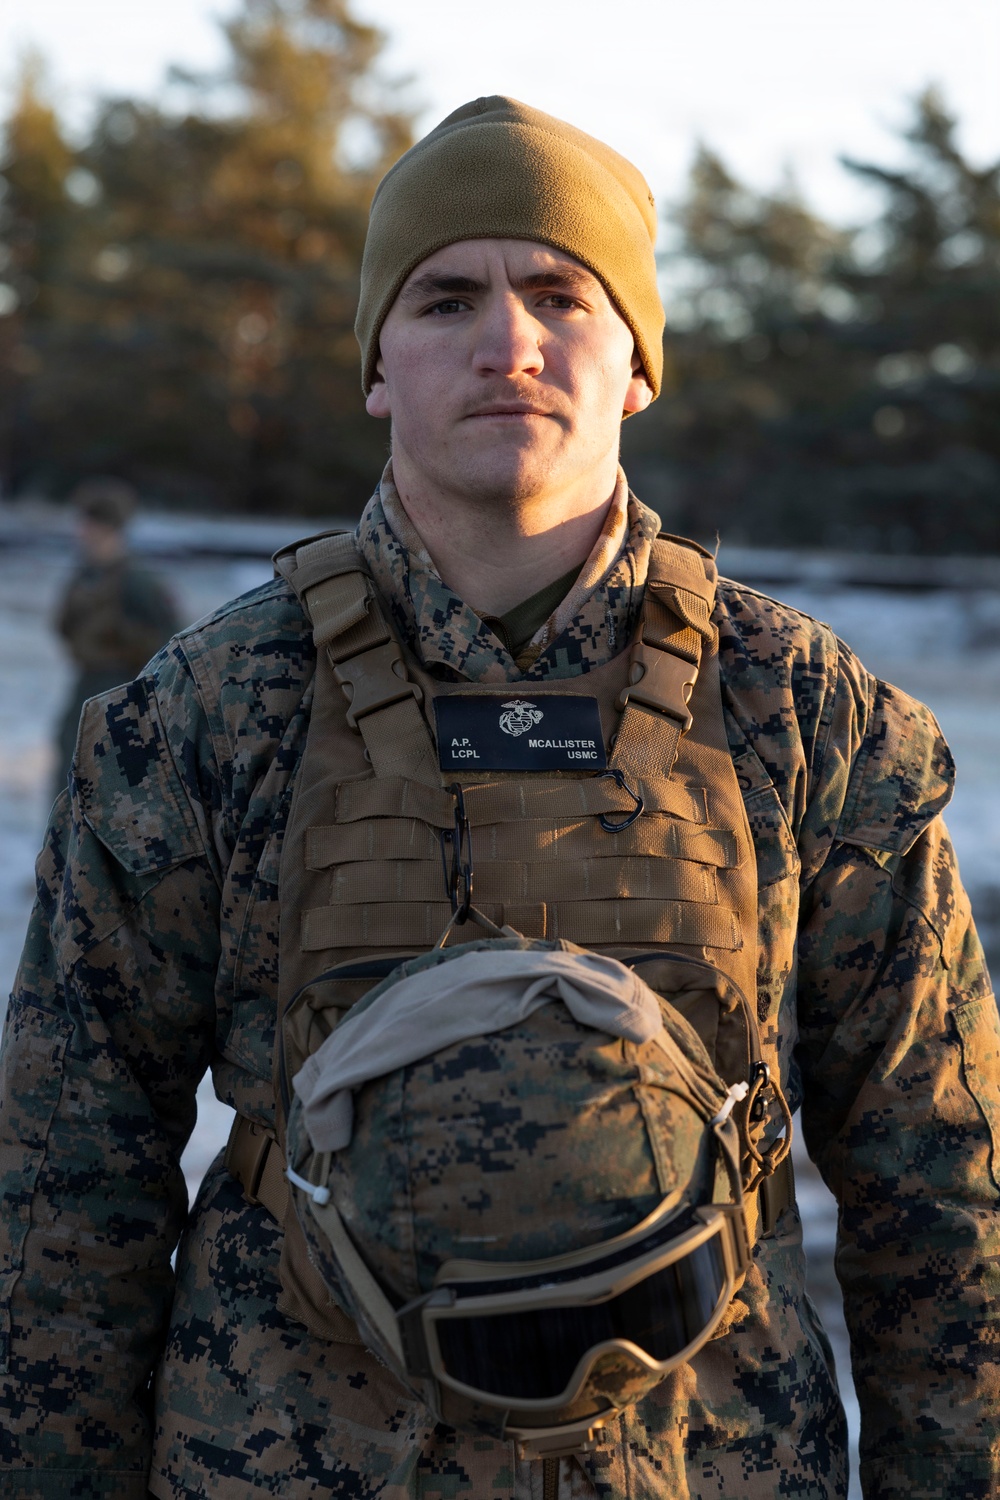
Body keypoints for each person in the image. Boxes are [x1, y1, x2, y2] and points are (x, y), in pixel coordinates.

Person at [1, 95, 998, 1500]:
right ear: (376, 366)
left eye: (559, 295)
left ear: (637, 359)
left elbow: (942, 1193)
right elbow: (63, 1192)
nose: (506, 343)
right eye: (445, 297)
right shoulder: (206, 711)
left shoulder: (804, 712)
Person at [50, 477, 180, 803]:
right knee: (67, 782)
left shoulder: (138, 581)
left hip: (122, 695)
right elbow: (64, 626)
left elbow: (172, 644)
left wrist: (122, 642)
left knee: (112, 792)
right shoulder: (85, 573)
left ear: (108, 527)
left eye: (90, 522)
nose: (81, 531)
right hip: (86, 687)